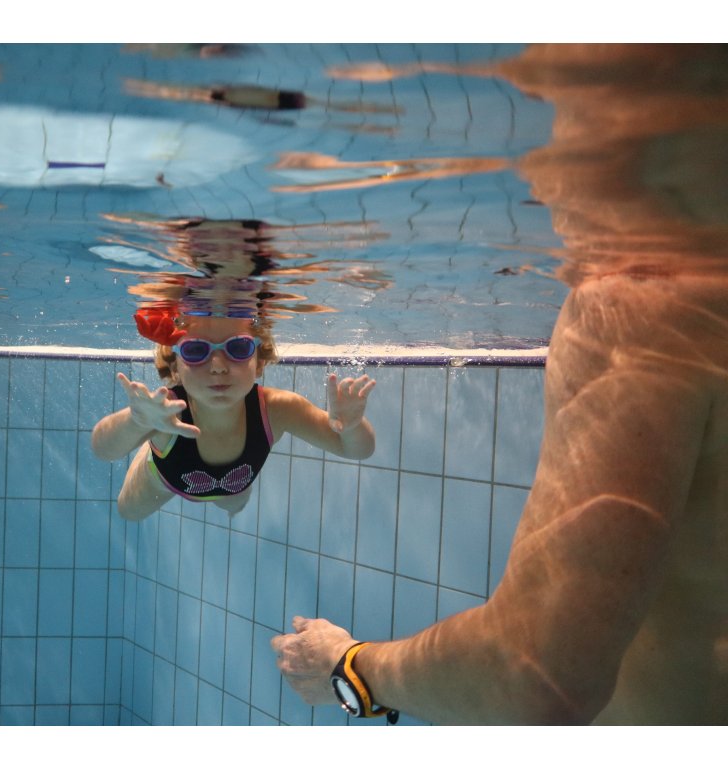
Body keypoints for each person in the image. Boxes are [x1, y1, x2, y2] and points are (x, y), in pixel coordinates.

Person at [271, 44, 728, 725]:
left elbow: (535, 678)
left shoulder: (641, 304)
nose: (535, 180)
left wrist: (350, 668)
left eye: (555, 103)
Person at [91, 308, 376, 520]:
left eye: (238, 348)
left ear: (259, 362)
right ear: (176, 367)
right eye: (196, 350)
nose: (218, 366)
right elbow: (103, 450)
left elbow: (354, 450)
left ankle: (158, 445)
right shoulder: (166, 411)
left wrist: (351, 427)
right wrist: (137, 421)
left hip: (234, 486)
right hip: (165, 478)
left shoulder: (278, 409)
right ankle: (150, 447)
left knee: (234, 505)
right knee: (128, 512)